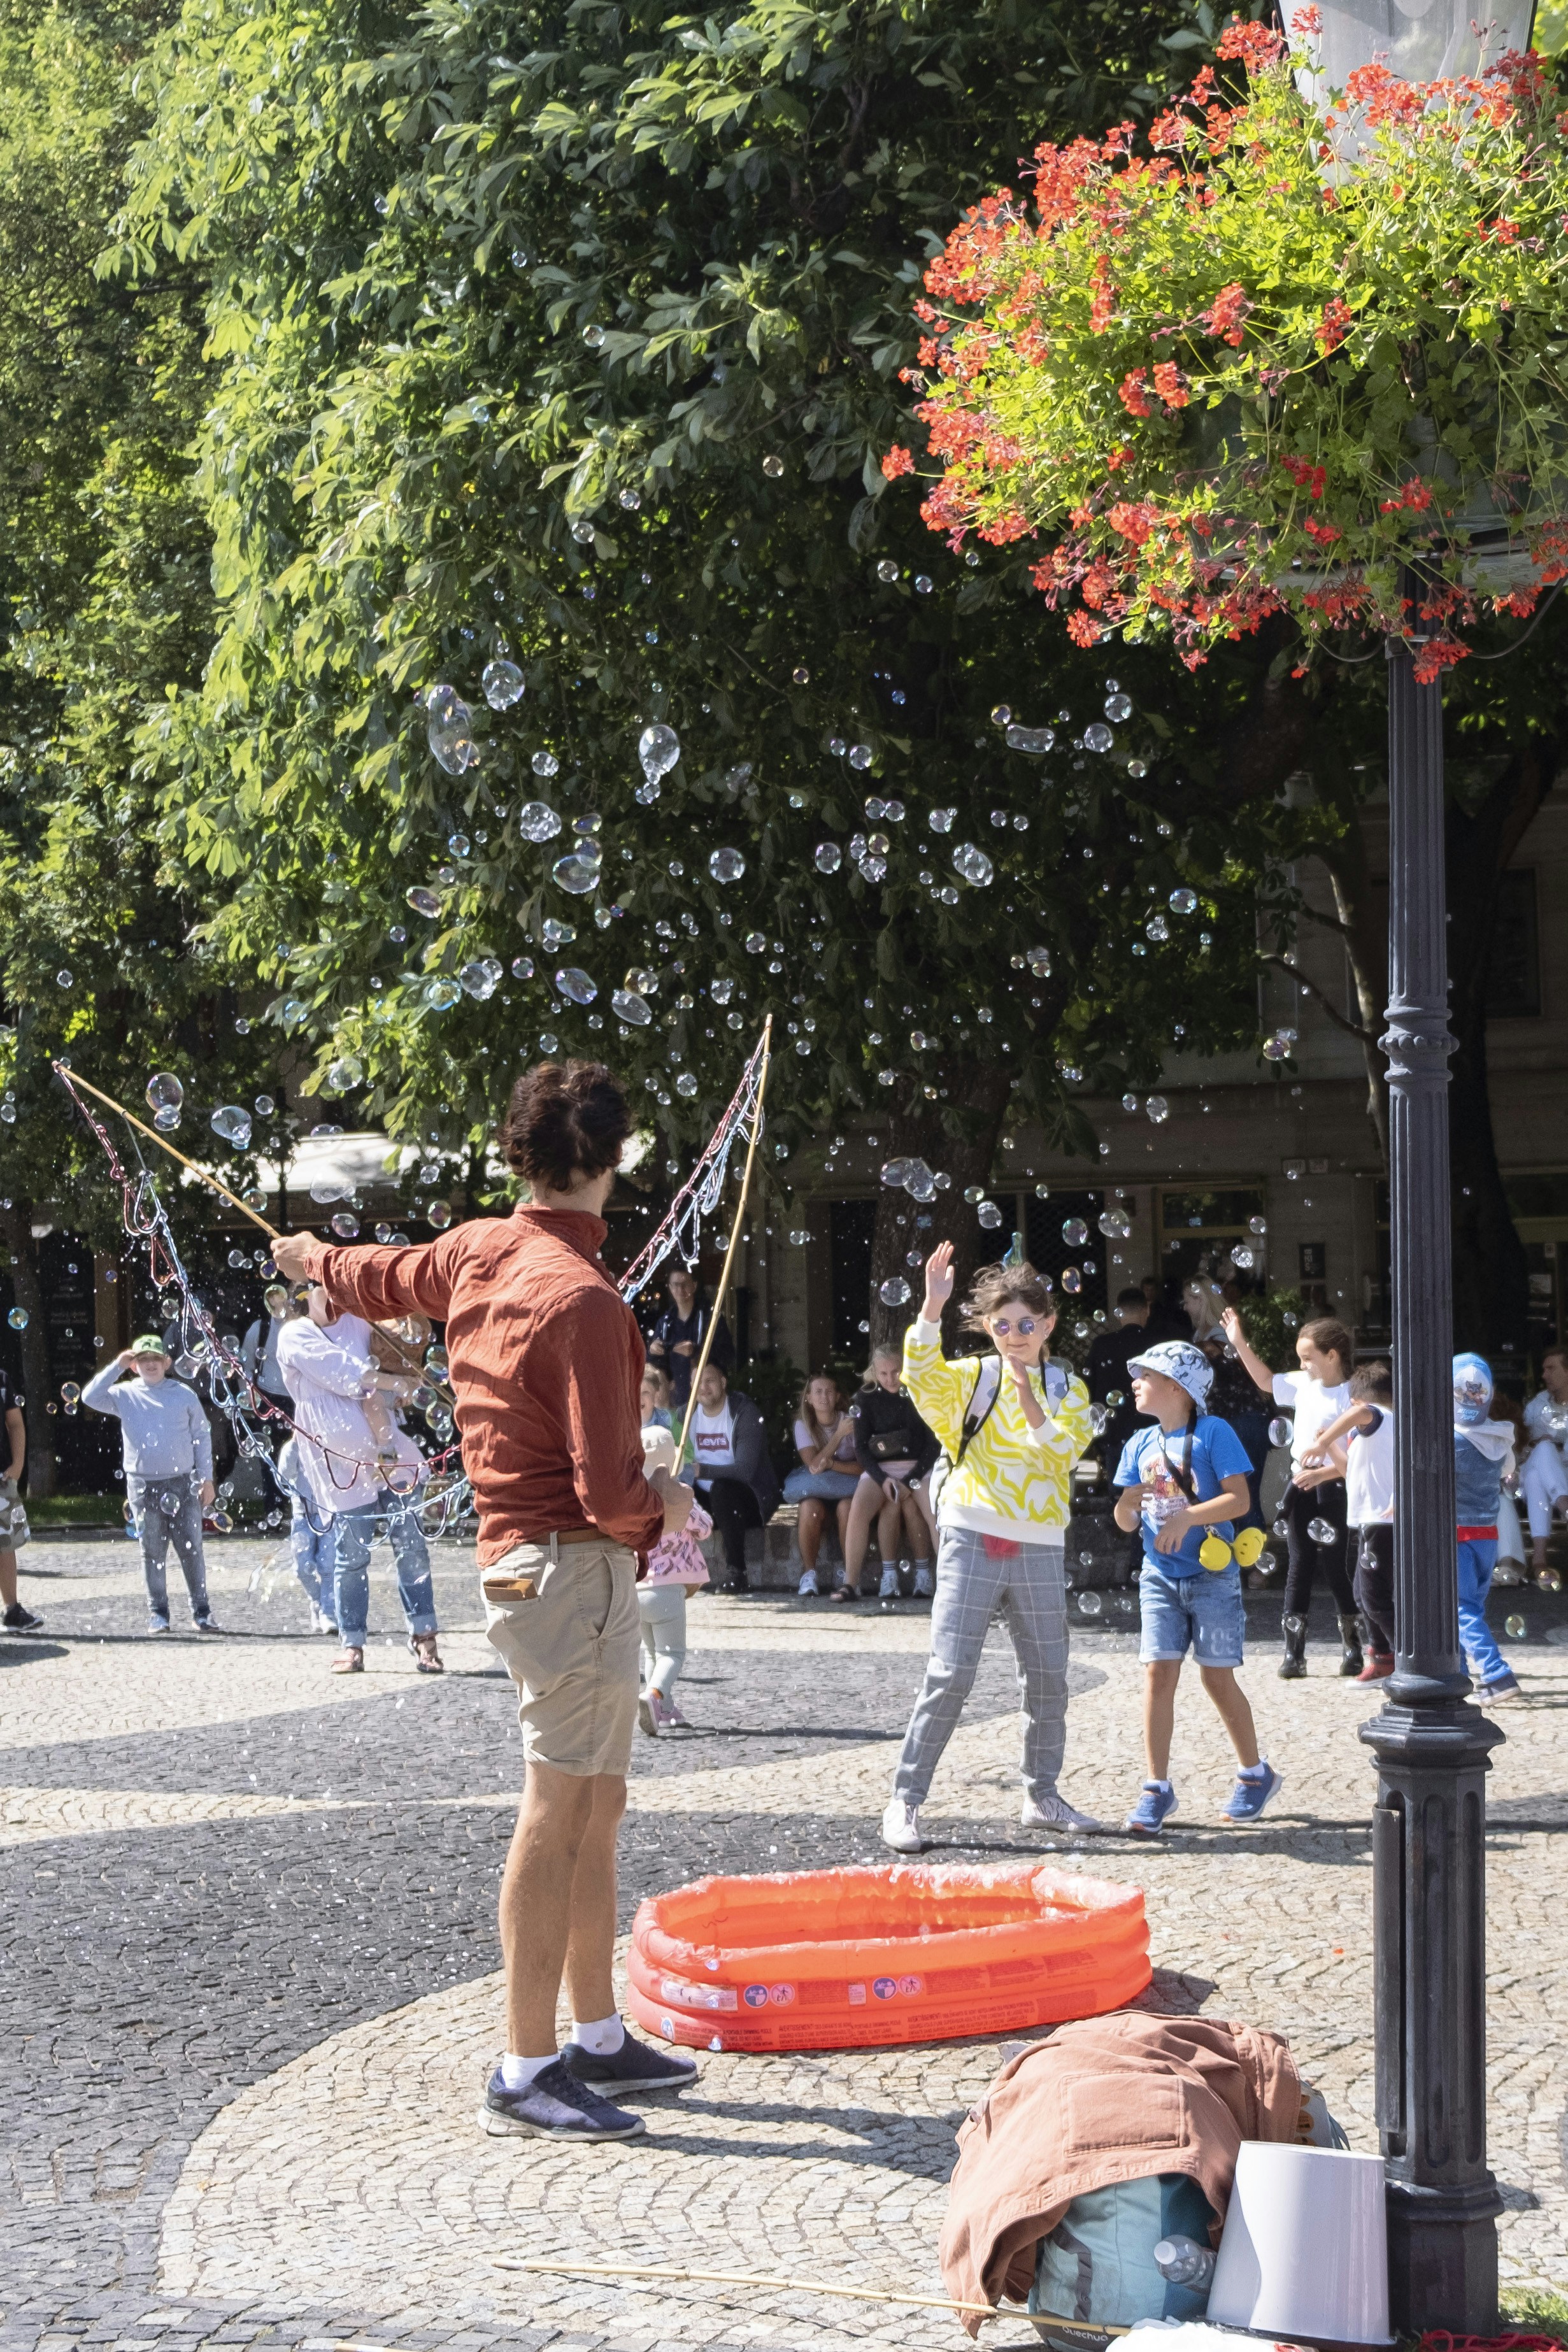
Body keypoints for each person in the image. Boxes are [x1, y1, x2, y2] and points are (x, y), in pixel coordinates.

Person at [271, 1058, 696, 2143]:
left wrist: (309, 1257)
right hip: (571, 1568)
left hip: (523, 1563)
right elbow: (610, 1495)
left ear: (519, 1151)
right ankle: (525, 2063)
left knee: (596, 1803)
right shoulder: (585, 1298)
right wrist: (669, 1503)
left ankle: (597, 2032)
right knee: (558, 1810)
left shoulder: (476, 1248)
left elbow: (376, 1274)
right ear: (613, 1158)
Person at [881, 1243, 1099, 1853]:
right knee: (951, 1671)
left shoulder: (1068, 1388)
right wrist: (931, 1307)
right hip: (973, 1531)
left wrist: (1027, 1392)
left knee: (1049, 1675)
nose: (1014, 1337)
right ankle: (905, 1800)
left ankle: (1042, 1794)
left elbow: (1061, 1454)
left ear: (1048, 1324)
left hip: (1039, 1542)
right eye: (1002, 1326)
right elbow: (921, 1377)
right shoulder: (974, 1377)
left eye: (1026, 1324)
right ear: (986, 1327)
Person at [1113, 1339, 1280, 1834]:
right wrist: (1127, 1505)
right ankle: (1156, 1789)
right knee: (1157, 1675)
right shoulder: (1137, 1443)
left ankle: (1254, 1774)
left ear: (1178, 1387)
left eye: (1145, 1375)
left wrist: (1187, 1516)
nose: (1135, 1383)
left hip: (1213, 1575)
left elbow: (1239, 1500)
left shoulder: (1213, 1431)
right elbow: (1125, 1520)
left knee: (1216, 1678)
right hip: (1159, 1576)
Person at [1222, 1306, 1360, 1679]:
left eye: (1308, 1358)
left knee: (1337, 1566)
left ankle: (1353, 1647)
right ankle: (1293, 1652)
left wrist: (1325, 1474)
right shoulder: (1303, 1385)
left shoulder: (1353, 1394)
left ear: (1332, 1356)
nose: (1303, 1365)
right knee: (1299, 1565)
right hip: (1302, 1483)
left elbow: (1359, 1458)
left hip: (1336, 1485)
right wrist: (1239, 1342)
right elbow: (1267, 1381)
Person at [82, 1337, 220, 1634]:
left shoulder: (183, 1394)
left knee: (192, 1549)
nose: (150, 1364)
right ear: (135, 1365)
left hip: (183, 1483)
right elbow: (89, 1397)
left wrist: (206, 1478)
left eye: (156, 1358)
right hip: (143, 1485)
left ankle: (202, 1612)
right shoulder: (125, 1394)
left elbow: (201, 1435)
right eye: (143, 1359)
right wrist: (117, 1365)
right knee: (152, 1552)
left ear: (167, 1363)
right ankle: (159, 1614)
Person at [1302, 1360, 1396, 1679]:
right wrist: (1329, 1453)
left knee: (1373, 1595)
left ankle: (1404, 1657)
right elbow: (1350, 1470)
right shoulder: (1381, 1429)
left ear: (1356, 1401)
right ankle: (1383, 1657)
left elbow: (1361, 1413)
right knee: (1362, 1593)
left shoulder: (1378, 1416)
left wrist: (1322, 1442)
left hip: (1381, 1521)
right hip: (1372, 1520)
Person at [838, 1345, 939, 1602]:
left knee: (935, 1513)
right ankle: (850, 1583)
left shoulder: (920, 1392)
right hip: (881, 1468)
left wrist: (910, 1480)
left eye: (896, 1372)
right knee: (858, 1508)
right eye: (883, 1373)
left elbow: (933, 1445)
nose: (890, 1379)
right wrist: (882, 1480)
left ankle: (951, 1583)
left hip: (919, 1466)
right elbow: (861, 1448)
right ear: (874, 1372)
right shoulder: (865, 1397)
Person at [1451, 1351, 1521, 1705]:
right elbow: (1508, 1470)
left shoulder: (1451, 1440)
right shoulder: (1498, 1438)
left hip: (1457, 1535)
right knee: (1470, 1609)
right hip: (1487, 1537)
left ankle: (1496, 1674)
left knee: (1459, 1609)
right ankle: (1458, 1676)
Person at [637, 1423, 710, 1733]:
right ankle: (654, 1695)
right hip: (668, 1591)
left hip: (637, 1587)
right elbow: (705, 1528)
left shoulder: (634, 1500)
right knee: (673, 1653)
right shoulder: (680, 1498)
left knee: (653, 1651)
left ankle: (664, 1709)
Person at [686, 1360, 780, 1593]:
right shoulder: (686, 1415)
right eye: (698, 1383)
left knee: (722, 1489)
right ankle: (673, 1569)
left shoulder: (744, 1412)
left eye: (710, 1381)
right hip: (707, 1506)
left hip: (747, 1503)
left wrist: (701, 1471)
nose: (703, 1388)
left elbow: (745, 1471)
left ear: (723, 1382)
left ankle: (737, 1572)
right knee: (674, 1489)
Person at [783, 1372, 861, 1597]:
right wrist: (838, 1436)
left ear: (837, 1397)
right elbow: (814, 1466)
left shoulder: (850, 1422)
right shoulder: (803, 1425)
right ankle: (809, 1574)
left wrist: (832, 1464)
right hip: (819, 1491)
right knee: (809, 1508)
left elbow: (863, 1468)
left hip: (847, 1490)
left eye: (829, 1392)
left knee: (847, 1508)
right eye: (818, 1392)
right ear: (808, 1398)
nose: (824, 1397)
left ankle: (850, 1577)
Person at [1198, 1327, 1271, 1538]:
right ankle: (1254, 1554)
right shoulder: (1225, 1345)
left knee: (1230, 1495)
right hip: (1254, 1419)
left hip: (1229, 1424)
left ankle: (1231, 1550)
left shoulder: (1202, 1349)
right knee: (1250, 1493)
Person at [1085, 1288, 1154, 1472]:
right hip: (1151, 1430)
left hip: (1113, 1432)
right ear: (1147, 1309)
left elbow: (1089, 1387)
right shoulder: (1156, 1345)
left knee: (1117, 1487)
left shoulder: (1102, 1345)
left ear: (1119, 1313)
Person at [275, 1429, 338, 1633]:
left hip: (330, 1515)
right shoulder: (296, 1447)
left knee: (328, 1566)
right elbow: (284, 1475)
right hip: (303, 1515)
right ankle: (317, 1602)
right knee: (302, 1568)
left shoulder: (333, 1443)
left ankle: (328, 1613)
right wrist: (295, 1443)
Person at [646, 1264, 732, 1411]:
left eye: (685, 1284)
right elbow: (656, 1367)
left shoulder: (711, 1319)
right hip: (673, 1405)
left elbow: (728, 1355)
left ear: (694, 1285)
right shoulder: (665, 1323)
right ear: (670, 1287)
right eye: (675, 1285)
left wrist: (696, 1351)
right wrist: (652, 1351)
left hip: (706, 1403)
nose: (680, 1290)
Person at [1520, 1346, 1568, 1576]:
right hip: (1538, 1462)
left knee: (1535, 1477)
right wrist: (1539, 1442)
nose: (1544, 1375)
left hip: (1559, 1471)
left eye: (1551, 1368)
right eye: (1544, 1369)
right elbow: (1522, 1443)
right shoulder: (1537, 1406)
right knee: (1545, 1449)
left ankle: (1539, 1557)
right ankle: (1564, 1504)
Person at [0, 1372, 37, 1633]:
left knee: (5, 1543)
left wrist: (18, 1463)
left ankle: (12, 1610)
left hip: (1, 1476)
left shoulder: (1, 1379)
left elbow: (15, 1424)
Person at [242, 1285, 293, 1415]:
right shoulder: (260, 1328)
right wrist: (249, 1395)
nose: (287, 1300)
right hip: (266, 1397)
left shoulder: (302, 1328)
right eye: (282, 1296)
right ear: (271, 1300)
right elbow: (246, 1365)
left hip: (294, 1398)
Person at [1142, 1275, 1194, 1343]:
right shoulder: (1140, 1307)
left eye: (1152, 1290)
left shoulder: (1161, 1308)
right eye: (1147, 1290)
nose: (1149, 1292)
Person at [640, 1366, 674, 1432]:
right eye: (634, 1393)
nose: (639, 1398)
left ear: (656, 1395)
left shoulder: (669, 1422)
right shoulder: (621, 1423)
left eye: (645, 1393)